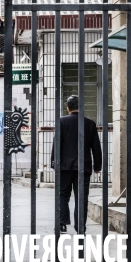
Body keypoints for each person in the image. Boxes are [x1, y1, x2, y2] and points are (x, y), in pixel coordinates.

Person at [51, 95, 102, 234]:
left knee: (63, 195)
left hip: (64, 167)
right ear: (81, 107)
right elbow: (96, 147)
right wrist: (98, 166)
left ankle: (62, 224)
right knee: (82, 198)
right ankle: (80, 227)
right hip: (83, 167)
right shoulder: (89, 123)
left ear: (68, 108)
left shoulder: (61, 121)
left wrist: (54, 163)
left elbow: (57, 144)